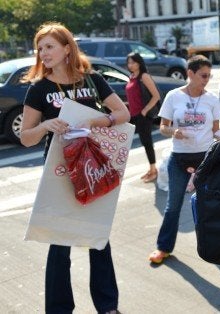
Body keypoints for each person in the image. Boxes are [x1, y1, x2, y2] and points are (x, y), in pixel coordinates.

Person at [20, 22, 129, 314]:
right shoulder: (39, 89)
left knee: (98, 238)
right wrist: (44, 125)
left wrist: (97, 121)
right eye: (40, 49)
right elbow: (26, 138)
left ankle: (108, 306)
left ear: (67, 48)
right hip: (58, 173)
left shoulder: (91, 81)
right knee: (59, 244)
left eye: (49, 47)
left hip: (93, 168)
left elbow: (123, 112)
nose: (43, 53)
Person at [148, 55, 220, 264]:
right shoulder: (174, 96)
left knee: (208, 205)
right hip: (179, 159)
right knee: (173, 206)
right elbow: (162, 127)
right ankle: (163, 247)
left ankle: (215, 247)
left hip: (205, 160)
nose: (207, 79)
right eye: (203, 75)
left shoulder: (211, 99)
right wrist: (174, 131)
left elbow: (216, 131)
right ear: (190, 73)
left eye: (209, 76)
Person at [125, 52, 160, 183]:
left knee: (147, 142)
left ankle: (153, 170)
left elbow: (156, 95)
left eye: (133, 62)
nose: (130, 65)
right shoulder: (131, 76)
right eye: (129, 62)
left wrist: (144, 111)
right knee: (144, 142)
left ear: (139, 63)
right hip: (134, 114)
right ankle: (151, 168)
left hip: (143, 115)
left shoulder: (143, 76)